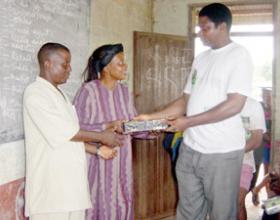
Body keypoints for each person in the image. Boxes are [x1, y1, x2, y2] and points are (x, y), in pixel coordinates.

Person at [135, 3, 253, 220]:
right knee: (188, 211)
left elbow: (235, 104)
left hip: (222, 153)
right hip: (190, 149)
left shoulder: (239, 55)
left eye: (205, 28)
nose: (200, 33)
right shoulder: (201, 59)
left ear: (223, 27)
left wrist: (187, 122)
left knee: (221, 214)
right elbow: (185, 100)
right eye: (199, 27)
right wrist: (152, 117)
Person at [23, 42, 121, 220]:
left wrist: (97, 150)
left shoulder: (60, 96)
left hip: (72, 189)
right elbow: (68, 133)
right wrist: (103, 137)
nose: (69, 69)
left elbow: (67, 137)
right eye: (65, 64)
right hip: (51, 193)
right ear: (47, 64)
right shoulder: (35, 94)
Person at [73, 43, 150, 220]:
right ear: (107, 67)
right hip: (98, 161)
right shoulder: (88, 91)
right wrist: (108, 125)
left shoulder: (124, 92)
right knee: (99, 203)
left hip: (122, 162)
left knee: (122, 202)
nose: (125, 66)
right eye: (120, 63)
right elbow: (76, 129)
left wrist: (150, 131)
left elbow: (129, 125)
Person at [238, 98, 266, 220]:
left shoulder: (255, 106)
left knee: (237, 202)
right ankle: (256, 191)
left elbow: (258, 139)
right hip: (220, 162)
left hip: (247, 159)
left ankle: (256, 191)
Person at [252, 87, 272, 205]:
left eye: (268, 95)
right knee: (266, 172)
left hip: (274, 145)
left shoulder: (276, 108)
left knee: (271, 173)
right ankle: (258, 193)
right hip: (263, 145)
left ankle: (268, 199)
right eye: (264, 95)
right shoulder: (259, 107)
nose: (266, 98)